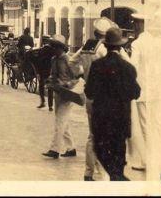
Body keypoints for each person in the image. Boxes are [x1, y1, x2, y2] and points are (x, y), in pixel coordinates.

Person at [68, 17, 124, 181]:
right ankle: (104, 170)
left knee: (93, 135)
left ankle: (89, 172)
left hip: (90, 95)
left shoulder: (88, 46)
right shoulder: (105, 50)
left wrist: (81, 74)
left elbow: (72, 62)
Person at [85, 27, 141, 181]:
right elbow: (136, 93)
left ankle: (115, 176)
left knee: (102, 150)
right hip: (121, 119)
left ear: (106, 45)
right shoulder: (128, 68)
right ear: (120, 46)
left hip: (101, 119)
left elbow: (89, 92)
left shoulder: (97, 66)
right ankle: (118, 176)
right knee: (118, 152)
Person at [42, 34, 80, 160]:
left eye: (56, 47)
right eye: (53, 47)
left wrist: (67, 84)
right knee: (64, 122)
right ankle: (71, 148)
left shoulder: (69, 60)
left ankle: (55, 149)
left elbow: (77, 77)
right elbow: (53, 75)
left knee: (60, 122)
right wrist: (50, 80)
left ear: (61, 48)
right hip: (58, 93)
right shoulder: (53, 59)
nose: (54, 49)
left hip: (68, 94)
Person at [129, 13, 157, 172]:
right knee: (157, 125)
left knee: (144, 126)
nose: (134, 27)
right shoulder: (156, 42)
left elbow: (134, 68)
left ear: (140, 25)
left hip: (143, 91)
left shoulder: (138, 43)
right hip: (157, 91)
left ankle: (147, 161)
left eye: (135, 24)